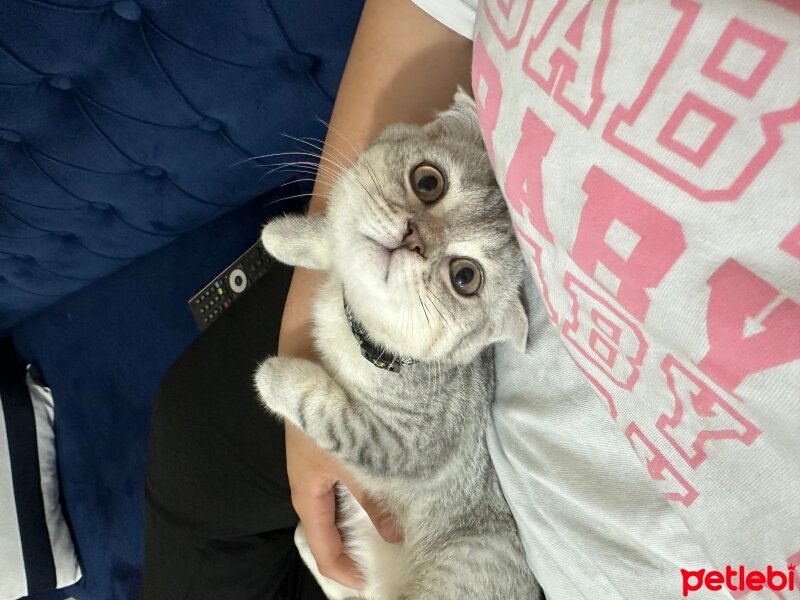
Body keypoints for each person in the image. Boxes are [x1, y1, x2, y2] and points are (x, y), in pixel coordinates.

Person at [142, 0, 800, 598]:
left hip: (531, 557)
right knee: (189, 436)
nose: (418, 239)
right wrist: (317, 300)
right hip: (410, 340)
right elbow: (430, 14)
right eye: (430, 188)